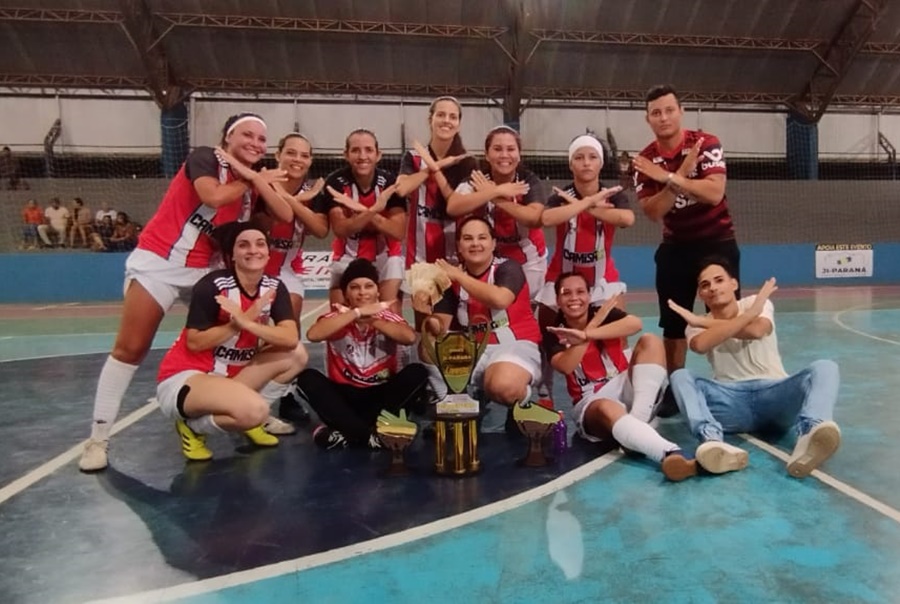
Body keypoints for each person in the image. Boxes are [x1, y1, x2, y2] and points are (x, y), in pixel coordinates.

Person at [78, 112, 292, 472]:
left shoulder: (252, 184)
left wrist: (259, 181)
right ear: (228, 137)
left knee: (249, 332)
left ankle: (245, 409)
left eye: (261, 138)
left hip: (205, 271)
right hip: (160, 261)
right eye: (247, 135)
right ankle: (98, 439)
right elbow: (213, 195)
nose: (255, 143)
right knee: (131, 348)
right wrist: (251, 179)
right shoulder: (205, 157)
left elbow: (283, 213)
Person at [668, 258, 841, 478]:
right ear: (700, 295)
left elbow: (758, 330)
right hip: (730, 402)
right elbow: (701, 345)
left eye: (719, 280)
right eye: (705, 285)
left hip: (775, 396)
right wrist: (745, 316)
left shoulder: (755, 303)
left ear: (734, 284)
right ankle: (712, 442)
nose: (712, 287)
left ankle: (810, 434)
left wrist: (705, 322)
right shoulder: (695, 324)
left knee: (825, 367)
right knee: (680, 376)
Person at [155, 221, 308, 461]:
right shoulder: (213, 286)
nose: (253, 250)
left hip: (230, 376)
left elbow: (289, 338)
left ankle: (249, 418)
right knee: (255, 411)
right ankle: (193, 427)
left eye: (260, 244)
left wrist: (248, 323)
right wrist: (234, 325)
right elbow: (195, 343)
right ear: (233, 254)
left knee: (296, 354)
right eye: (243, 245)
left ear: (268, 253)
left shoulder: (274, 287)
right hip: (188, 377)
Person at [543, 272, 710, 481]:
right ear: (558, 300)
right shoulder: (555, 331)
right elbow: (565, 366)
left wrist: (588, 333)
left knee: (650, 341)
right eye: (566, 293)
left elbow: (635, 324)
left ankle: (637, 424)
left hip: (626, 384)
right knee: (605, 407)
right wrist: (584, 336)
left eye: (580, 291)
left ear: (589, 295)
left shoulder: (602, 313)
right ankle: (671, 453)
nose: (574, 297)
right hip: (591, 401)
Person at [633, 84, 740, 376]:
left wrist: (667, 178)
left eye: (669, 110)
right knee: (673, 323)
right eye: (656, 113)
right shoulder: (644, 161)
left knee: (725, 315)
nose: (664, 117)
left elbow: (714, 193)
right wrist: (679, 176)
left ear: (681, 112)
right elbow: (653, 211)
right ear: (648, 119)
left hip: (717, 241)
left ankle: (732, 379)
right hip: (676, 246)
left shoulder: (706, 144)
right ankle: (675, 384)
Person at [537, 134, 632, 403]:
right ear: (571, 164)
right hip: (560, 277)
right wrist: (589, 202)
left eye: (592, 157)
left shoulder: (614, 195)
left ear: (600, 163)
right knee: (547, 333)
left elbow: (626, 219)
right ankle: (545, 392)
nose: (586, 163)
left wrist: (585, 207)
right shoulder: (561, 195)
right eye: (579, 158)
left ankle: (624, 385)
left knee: (620, 332)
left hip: (602, 278)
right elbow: (547, 218)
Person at [297, 258, 428, 449]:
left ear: (377, 291)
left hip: (380, 394)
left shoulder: (389, 318)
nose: (362, 292)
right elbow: (313, 334)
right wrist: (357, 313)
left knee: (417, 372)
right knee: (307, 378)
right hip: (345, 395)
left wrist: (371, 318)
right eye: (354, 287)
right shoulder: (336, 318)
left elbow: (408, 337)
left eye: (368, 286)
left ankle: (347, 433)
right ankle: (371, 434)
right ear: (345, 294)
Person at [423, 215, 542, 410]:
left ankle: (524, 405)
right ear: (459, 246)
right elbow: (439, 327)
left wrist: (460, 277)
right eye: (468, 238)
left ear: (493, 243)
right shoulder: (450, 279)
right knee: (428, 342)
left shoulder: (509, 268)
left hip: (514, 345)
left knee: (502, 386)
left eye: (482, 238)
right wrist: (426, 313)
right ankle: (450, 401)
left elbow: (500, 299)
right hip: (473, 348)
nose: (475, 244)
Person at [261, 132, 328, 425]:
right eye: (291, 153)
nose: (297, 159)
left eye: (304, 155)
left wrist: (295, 199)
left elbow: (320, 230)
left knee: (290, 324)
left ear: (310, 160)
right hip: (252, 268)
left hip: (285, 270)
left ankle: (286, 394)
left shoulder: (314, 193)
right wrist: (297, 200)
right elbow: (264, 222)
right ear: (278, 155)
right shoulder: (262, 182)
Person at [446, 125, 547, 301]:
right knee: (486, 305)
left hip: (528, 261)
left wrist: (496, 198)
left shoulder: (528, 181)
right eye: (497, 149)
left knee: (518, 307)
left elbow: (534, 218)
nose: (504, 155)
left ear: (519, 154)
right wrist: (495, 191)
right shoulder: (478, 179)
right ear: (487, 154)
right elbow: (453, 207)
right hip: (486, 259)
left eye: (511, 149)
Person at [320, 129, 406, 312]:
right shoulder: (335, 182)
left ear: (378, 154)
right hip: (347, 255)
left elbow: (398, 232)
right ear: (346, 154)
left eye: (368, 150)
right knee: (339, 316)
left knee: (389, 315)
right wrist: (374, 210)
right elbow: (341, 230)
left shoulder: (390, 183)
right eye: (355, 150)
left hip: (386, 256)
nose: (362, 156)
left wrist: (360, 209)